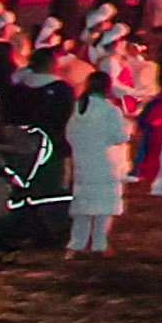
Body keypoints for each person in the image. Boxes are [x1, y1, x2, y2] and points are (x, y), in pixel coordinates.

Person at [63, 73, 131, 255]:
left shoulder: (78, 109)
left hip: (83, 162)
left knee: (82, 205)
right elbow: (119, 136)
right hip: (106, 163)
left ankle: (75, 244)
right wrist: (128, 127)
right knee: (104, 207)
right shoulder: (110, 111)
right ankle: (100, 244)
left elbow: (69, 135)